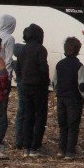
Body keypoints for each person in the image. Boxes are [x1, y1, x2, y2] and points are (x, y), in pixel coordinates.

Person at [52, 37, 84, 160]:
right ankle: (70, 151)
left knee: (63, 125)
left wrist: (58, 92)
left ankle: (61, 150)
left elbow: (54, 82)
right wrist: (83, 97)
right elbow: (82, 85)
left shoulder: (59, 64)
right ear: (77, 50)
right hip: (74, 99)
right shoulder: (79, 66)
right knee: (73, 125)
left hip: (61, 98)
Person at [16, 24, 50, 157]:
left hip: (25, 86)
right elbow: (43, 68)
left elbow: (18, 69)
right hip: (38, 87)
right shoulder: (40, 49)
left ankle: (26, 146)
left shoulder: (22, 50)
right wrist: (45, 83)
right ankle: (35, 146)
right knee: (40, 116)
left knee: (27, 116)